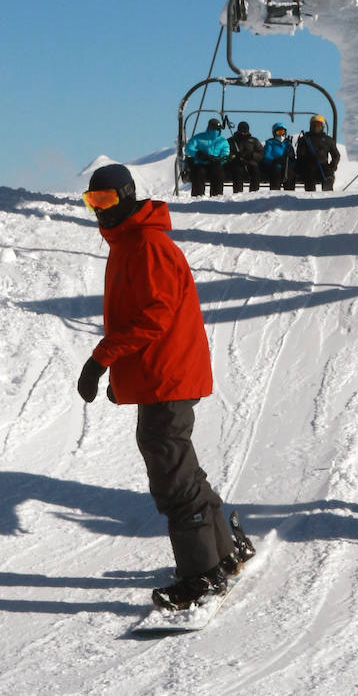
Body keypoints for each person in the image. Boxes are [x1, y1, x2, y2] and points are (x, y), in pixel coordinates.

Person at [76, 163, 254, 611]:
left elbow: (154, 318)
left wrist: (102, 361)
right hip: (160, 373)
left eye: (107, 202)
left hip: (168, 374)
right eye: (92, 202)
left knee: (171, 471)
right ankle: (221, 554)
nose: (100, 212)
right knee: (179, 462)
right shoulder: (130, 242)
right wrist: (125, 379)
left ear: (128, 196)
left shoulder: (148, 244)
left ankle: (202, 574)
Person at [184, 118, 230, 197]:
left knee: (218, 173)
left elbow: (225, 152)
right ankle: (198, 196)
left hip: (215, 163)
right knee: (199, 173)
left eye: (217, 129)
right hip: (201, 163)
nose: (215, 130)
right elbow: (188, 149)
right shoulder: (198, 138)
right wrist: (198, 154)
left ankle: (216, 196)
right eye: (214, 128)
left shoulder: (222, 141)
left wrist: (220, 159)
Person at [294, 114, 340, 191]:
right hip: (308, 168)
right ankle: (310, 198)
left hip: (323, 167)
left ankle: (327, 197)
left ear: (322, 126)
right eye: (313, 124)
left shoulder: (328, 140)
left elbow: (336, 155)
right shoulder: (304, 139)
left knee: (328, 176)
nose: (316, 126)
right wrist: (303, 166)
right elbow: (300, 155)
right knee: (309, 175)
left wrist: (332, 166)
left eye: (318, 124)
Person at [227, 121, 264, 193]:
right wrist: (235, 156)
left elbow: (261, 153)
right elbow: (226, 153)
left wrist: (252, 155)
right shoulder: (232, 141)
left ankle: (254, 193)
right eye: (242, 131)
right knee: (237, 172)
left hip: (251, 163)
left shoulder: (254, 141)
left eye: (245, 131)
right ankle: (238, 193)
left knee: (255, 172)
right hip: (237, 163)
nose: (243, 133)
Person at [262, 122, 296, 190]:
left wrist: (291, 159)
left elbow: (293, 157)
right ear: (274, 133)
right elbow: (266, 157)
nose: (281, 135)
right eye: (278, 132)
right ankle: (275, 193)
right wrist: (275, 160)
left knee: (290, 173)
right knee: (276, 171)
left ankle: (289, 195)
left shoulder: (288, 144)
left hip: (287, 167)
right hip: (275, 167)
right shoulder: (270, 143)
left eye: (282, 132)